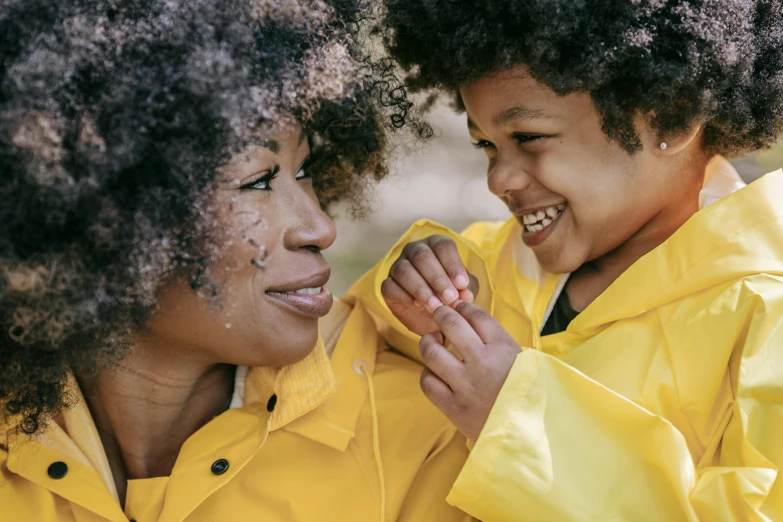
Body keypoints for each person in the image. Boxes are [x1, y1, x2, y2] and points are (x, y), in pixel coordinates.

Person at [0, 1, 471, 521]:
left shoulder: (415, 437)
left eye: (306, 169)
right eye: (256, 182)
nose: (320, 227)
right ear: (102, 220)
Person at [349, 1, 783, 520]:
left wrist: (520, 422)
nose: (498, 180)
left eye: (528, 138)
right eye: (487, 146)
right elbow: (353, 354)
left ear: (670, 114)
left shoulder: (765, 313)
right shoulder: (493, 262)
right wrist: (408, 287)